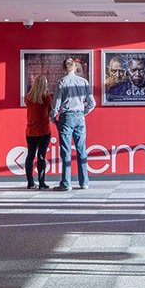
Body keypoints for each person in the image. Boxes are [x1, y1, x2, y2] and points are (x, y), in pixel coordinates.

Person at [50, 57, 96, 191]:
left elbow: (56, 103)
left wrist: (53, 118)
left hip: (66, 117)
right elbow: (92, 103)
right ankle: (84, 182)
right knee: (81, 149)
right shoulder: (84, 82)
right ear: (75, 67)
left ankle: (66, 183)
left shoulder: (62, 82)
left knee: (66, 151)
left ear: (64, 68)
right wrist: (83, 113)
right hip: (80, 117)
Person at [24, 74, 53, 189]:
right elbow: (50, 111)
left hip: (30, 131)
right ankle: (42, 182)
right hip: (43, 131)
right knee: (41, 155)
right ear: (44, 85)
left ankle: (30, 182)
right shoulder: (46, 98)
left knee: (30, 155)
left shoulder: (28, 98)